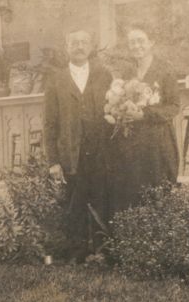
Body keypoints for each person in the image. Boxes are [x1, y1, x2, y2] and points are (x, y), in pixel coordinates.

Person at [44, 30, 112, 262]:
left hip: (101, 150)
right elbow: (50, 123)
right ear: (67, 48)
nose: (80, 46)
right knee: (75, 202)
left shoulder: (104, 75)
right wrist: (53, 161)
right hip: (71, 152)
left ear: (91, 47)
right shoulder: (56, 79)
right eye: (74, 43)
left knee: (102, 198)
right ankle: (77, 252)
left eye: (84, 42)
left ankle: (103, 252)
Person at [105, 24, 180, 215]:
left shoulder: (164, 69)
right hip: (131, 140)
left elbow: (174, 106)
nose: (136, 46)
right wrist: (119, 110)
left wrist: (144, 114)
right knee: (132, 192)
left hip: (157, 141)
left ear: (151, 42)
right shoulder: (128, 72)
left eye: (141, 41)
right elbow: (120, 98)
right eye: (132, 42)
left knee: (156, 194)